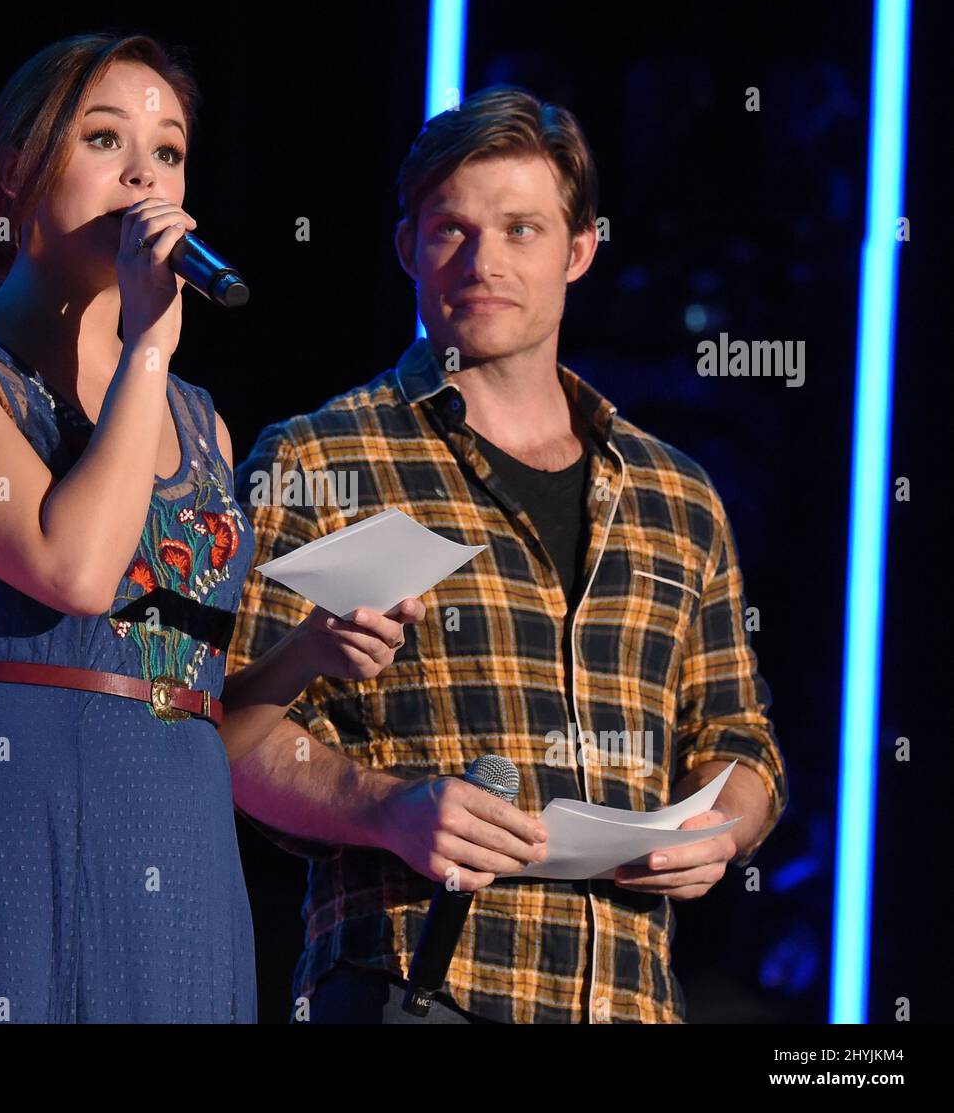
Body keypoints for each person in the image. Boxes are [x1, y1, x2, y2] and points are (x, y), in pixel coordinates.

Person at [0, 32, 423, 1024]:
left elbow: (175, 676)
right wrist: (145, 339)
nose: (143, 171)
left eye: (169, 149)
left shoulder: (199, 419)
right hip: (9, 803)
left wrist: (299, 658)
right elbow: (74, 568)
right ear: (16, 173)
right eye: (105, 137)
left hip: (177, 830)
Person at [226, 85, 790, 1024]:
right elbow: (225, 730)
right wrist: (386, 810)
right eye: (452, 230)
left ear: (579, 250)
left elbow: (738, 739)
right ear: (408, 248)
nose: (483, 261)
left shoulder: (675, 497)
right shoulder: (320, 460)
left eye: (522, 229)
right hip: (418, 982)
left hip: (629, 996)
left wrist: (722, 829)